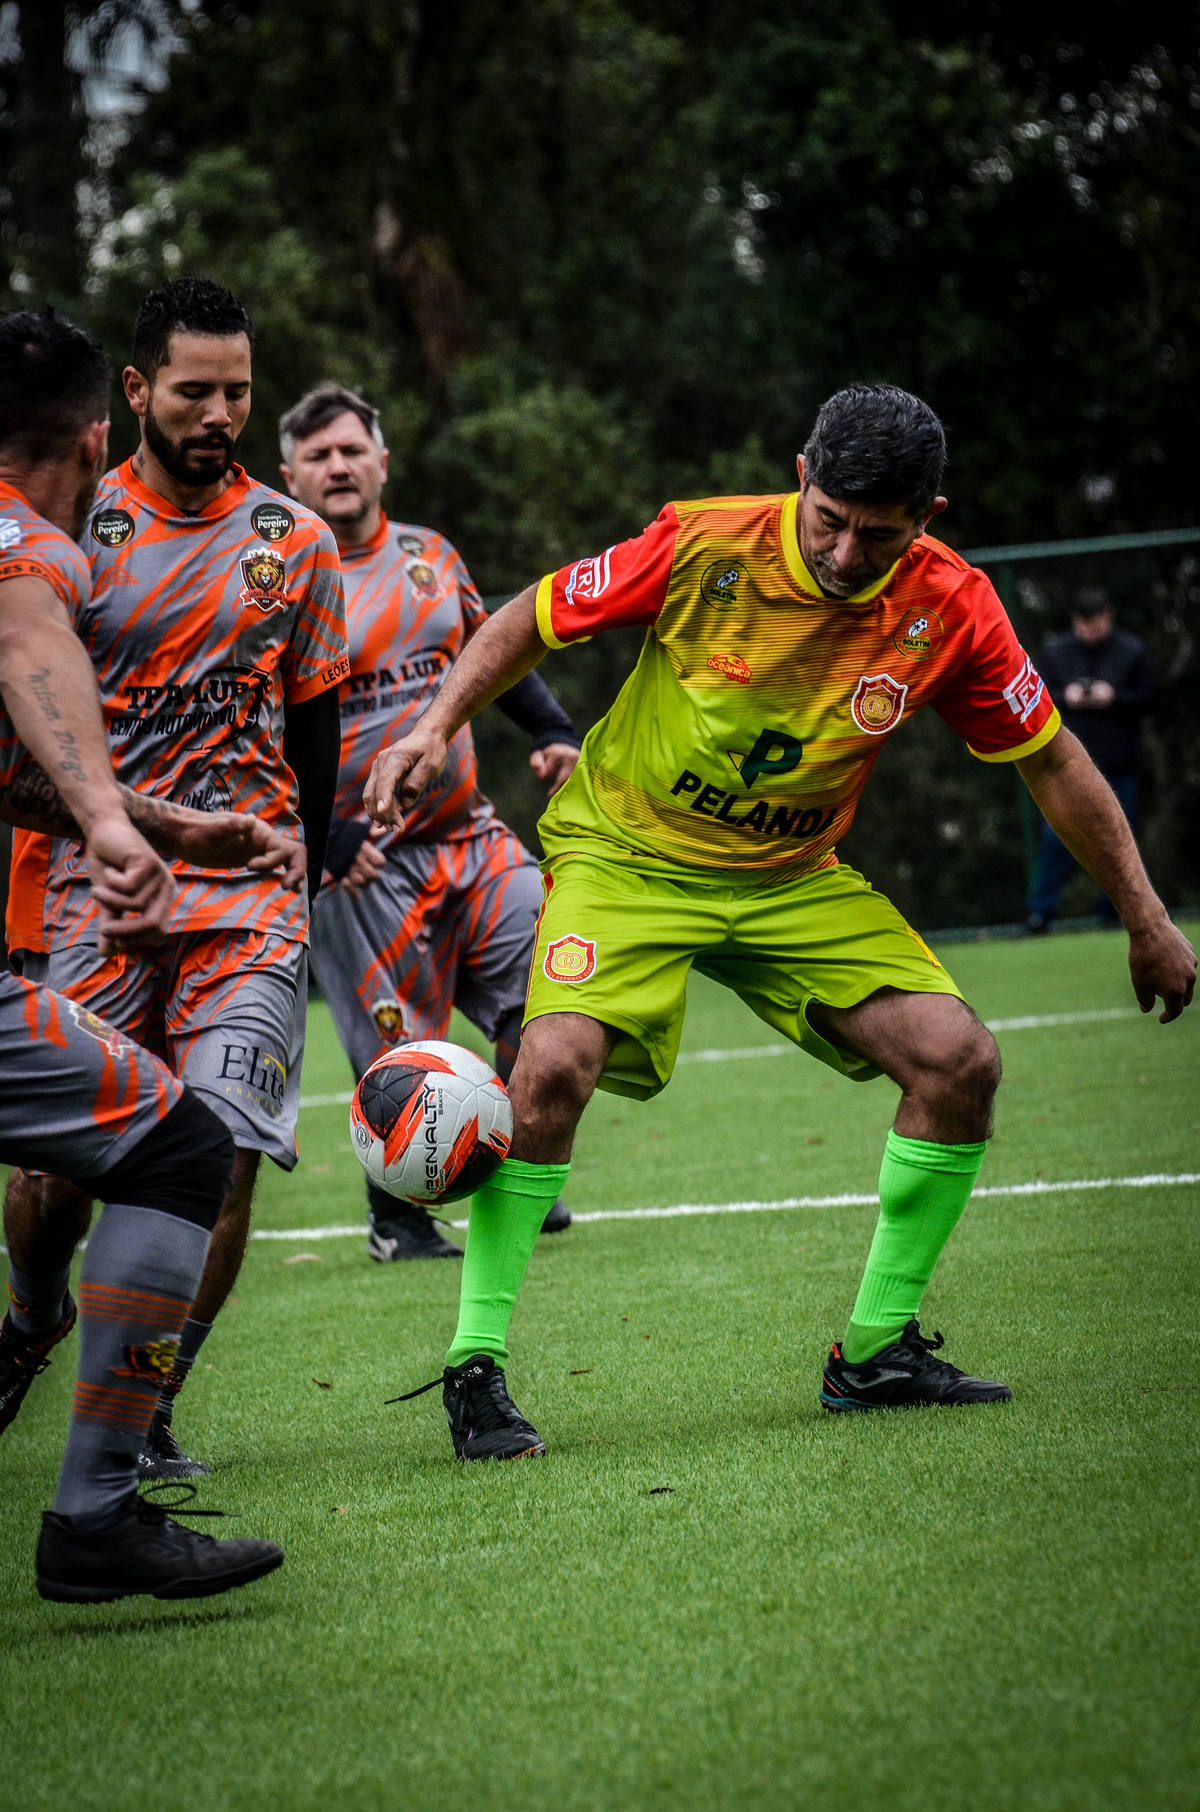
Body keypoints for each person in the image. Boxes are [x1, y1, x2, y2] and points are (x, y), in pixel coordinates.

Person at [364, 383, 1196, 1462]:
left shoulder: (954, 609)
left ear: (929, 517)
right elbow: (531, 614)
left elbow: (1051, 760)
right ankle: (475, 1367)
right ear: (802, 477)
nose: (846, 554)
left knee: (960, 1064)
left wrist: (1144, 915)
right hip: (627, 855)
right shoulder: (703, 543)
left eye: (879, 535)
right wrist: (436, 726)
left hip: (791, 878)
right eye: (830, 521)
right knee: (552, 1064)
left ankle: (876, 1353)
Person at [4, 278, 349, 1483]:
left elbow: (315, 728)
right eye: (195, 391)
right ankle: (31, 1312)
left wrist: (310, 865)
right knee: (58, 1176)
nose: (220, 414)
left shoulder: (294, 543)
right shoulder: (70, 527)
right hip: (96, 886)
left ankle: (146, 1413)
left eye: (238, 392)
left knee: (220, 1145)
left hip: (248, 891)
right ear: (136, 390)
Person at [278, 383, 581, 1258]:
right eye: (318, 455)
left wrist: (554, 730)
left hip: (470, 837)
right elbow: (250, 725)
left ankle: (514, 1176)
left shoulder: (430, 555)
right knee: (401, 1057)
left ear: (382, 461)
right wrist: (323, 839)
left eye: (352, 449)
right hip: (362, 862)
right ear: (290, 477)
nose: (338, 466)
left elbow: (493, 654)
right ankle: (398, 1222)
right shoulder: (278, 579)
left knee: (552, 1001)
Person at [1026, 586, 1158, 932]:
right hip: (1065, 769)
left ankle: (1115, 914)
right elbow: (1034, 695)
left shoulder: (1132, 650)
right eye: (1083, 623)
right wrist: (1065, 696)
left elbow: (1152, 698)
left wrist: (1115, 697)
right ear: (1074, 621)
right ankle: (1039, 915)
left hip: (1118, 765)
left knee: (1119, 844)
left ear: (1108, 617)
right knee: (1056, 840)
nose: (1090, 630)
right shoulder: (1056, 651)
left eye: (1096, 621)